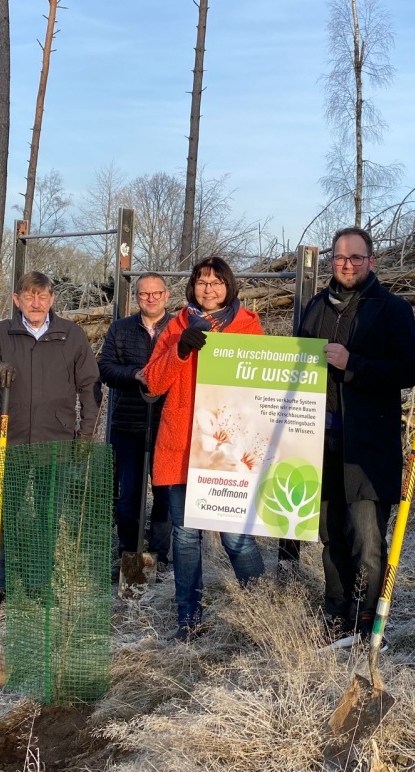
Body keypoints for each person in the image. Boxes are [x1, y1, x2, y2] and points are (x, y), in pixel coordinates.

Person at [298, 227, 415, 645]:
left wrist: (354, 364)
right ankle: (336, 613)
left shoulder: (392, 310)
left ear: (371, 261)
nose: (346, 265)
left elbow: (408, 371)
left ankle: (368, 621)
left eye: (355, 258)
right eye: (339, 258)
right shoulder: (314, 308)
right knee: (329, 534)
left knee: (368, 539)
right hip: (319, 443)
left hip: (368, 447)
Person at [145, 256, 266, 641]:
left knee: (235, 537)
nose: (208, 289)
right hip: (182, 445)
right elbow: (152, 383)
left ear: (229, 287)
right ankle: (189, 619)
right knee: (185, 535)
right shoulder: (177, 325)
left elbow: (263, 384)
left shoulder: (249, 327)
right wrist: (179, 350)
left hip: (228, 449)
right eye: (201, 282)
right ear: (192, 287)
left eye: (216, 282)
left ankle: (263, 610)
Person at [0, 271, 102, 611]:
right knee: (4, 514)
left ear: (52, 300)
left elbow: (90, 386)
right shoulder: (1, 332)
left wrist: (85, 433)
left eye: (42, 296)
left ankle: (40, 585)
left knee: (47, 515)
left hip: (55, 441)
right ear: (17, 299)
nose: (35, 303)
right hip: (10, 441)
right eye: (29, 296)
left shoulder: (70, 336)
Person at [99, 273, 174, 578]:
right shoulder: (120, 329)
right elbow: (105, 369)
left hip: (167, 426)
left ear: (166, 296)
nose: (151, 298)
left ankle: (160, 556)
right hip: (128, 426)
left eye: (157, 293)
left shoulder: (178, 329)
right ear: (137, 298)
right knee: (128, 495)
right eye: (145, 294)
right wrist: (136, 374)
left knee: (166, 496)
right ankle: (129, 555)